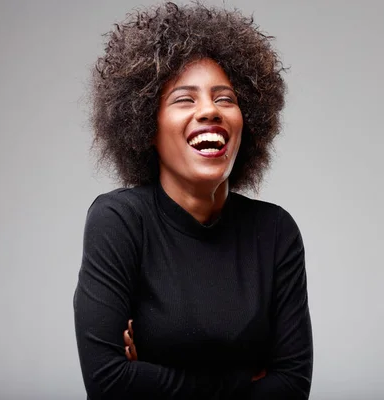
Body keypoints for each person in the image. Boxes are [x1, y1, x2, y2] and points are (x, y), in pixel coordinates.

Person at [72, 2, 313, 399]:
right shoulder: (119, 221)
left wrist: (152, 379)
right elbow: (108, 382)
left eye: (225, 99)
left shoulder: (274, 231)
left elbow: (292, 386)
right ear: (147, 126)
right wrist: (241, 383)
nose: (209, 111)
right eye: (185, 99)